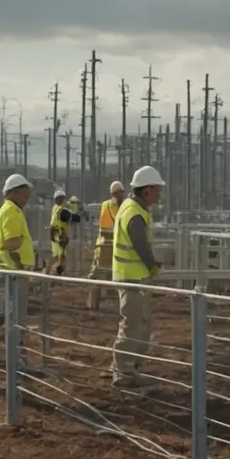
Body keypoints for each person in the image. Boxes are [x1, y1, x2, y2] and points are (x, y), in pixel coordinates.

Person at [111, 166, 165, 388]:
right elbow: (140, 245)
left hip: (133, 276)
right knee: (132, 325)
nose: (160, 194)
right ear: (147, 190)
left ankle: (130, 368)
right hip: (131, 277)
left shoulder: (132, 207)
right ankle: (123, 373)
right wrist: (152, 266)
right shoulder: (134, 213)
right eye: (157, 189)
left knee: (141, 324)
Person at [87, 181, 127, 310]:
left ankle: (94, 303)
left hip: (104, 244)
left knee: (101, 273)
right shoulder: (120, 206)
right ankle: (101, 301)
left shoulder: (107, 205)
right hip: (110, 245)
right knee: (107, 272)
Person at [0, 174, 34, 270]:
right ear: (15, 192)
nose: (28, 197)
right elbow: (11, 244)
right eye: (25, 193)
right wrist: (21, 268)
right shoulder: (11, 210)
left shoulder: (10, 209)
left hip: (11, 270)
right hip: (13, 271)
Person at [47, 190, 81, 275]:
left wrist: (72, 204)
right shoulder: (62, 211)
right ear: (62, 199)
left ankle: (48, 271)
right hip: (60, 235)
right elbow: (75, 218)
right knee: (61, 257)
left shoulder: (55, 208)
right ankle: (55, 274)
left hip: (54, 234)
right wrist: (76, 207)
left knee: (56, 256)